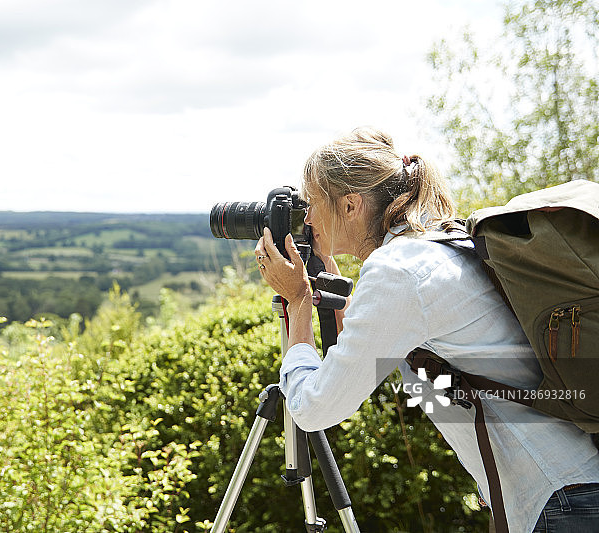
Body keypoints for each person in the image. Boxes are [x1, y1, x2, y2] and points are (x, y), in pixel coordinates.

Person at [254, 126, 599, 533]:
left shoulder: (397, 272)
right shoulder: (438, 243)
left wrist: (298, 303)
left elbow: (315, 409)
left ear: (350, 205)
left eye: (311, 202)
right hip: (568, 483)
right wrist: (331, 280)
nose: (306, 217)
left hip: (558, 498)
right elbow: (371, 360)